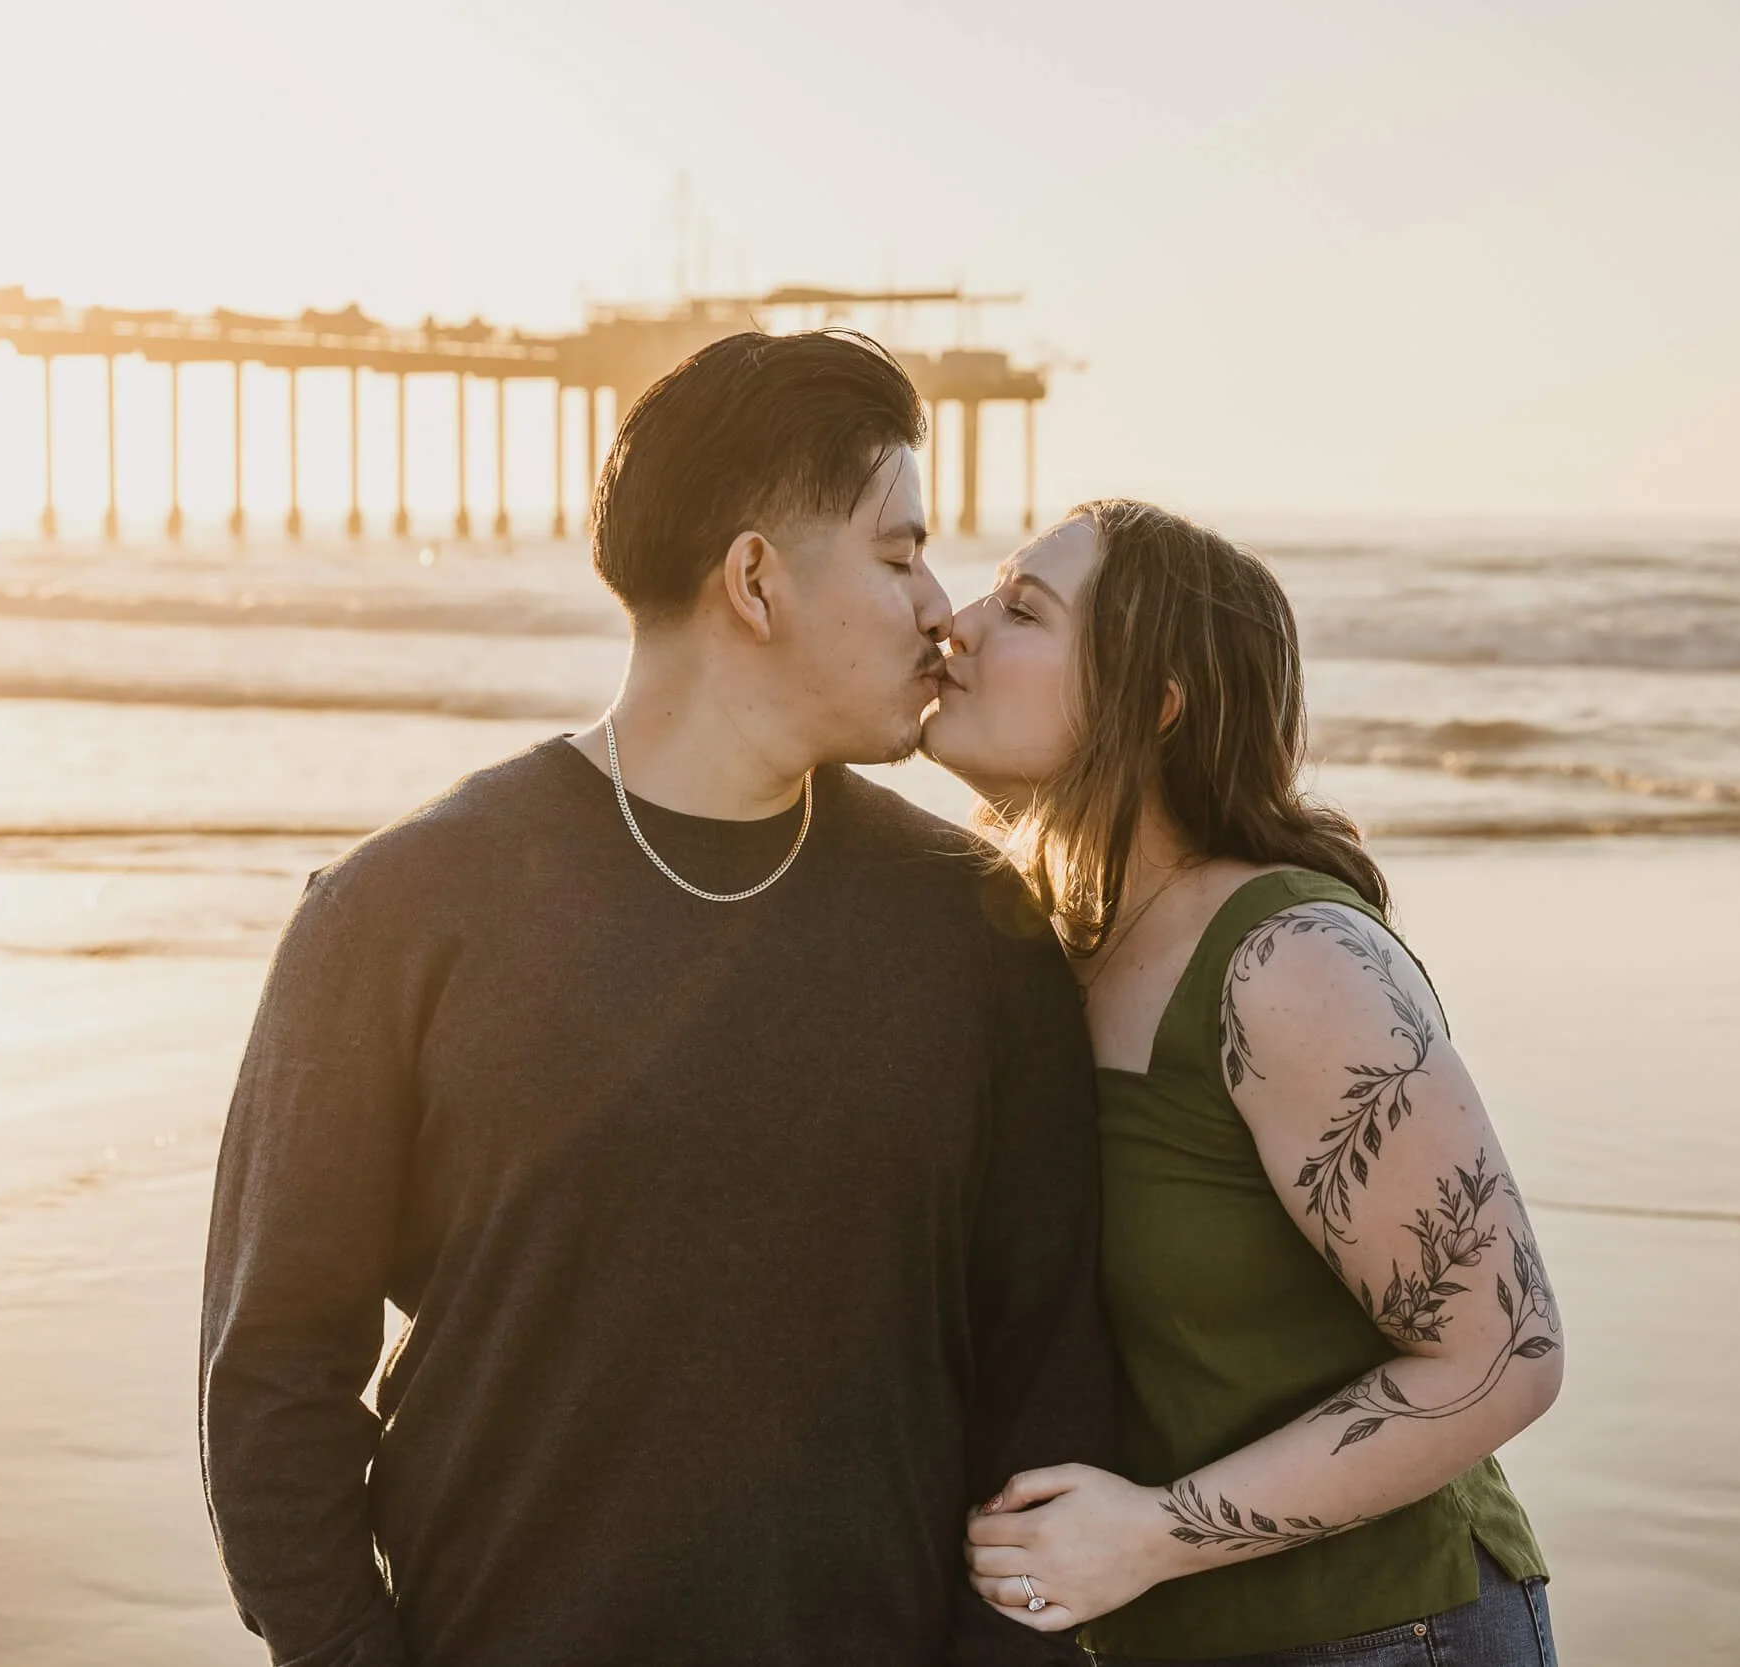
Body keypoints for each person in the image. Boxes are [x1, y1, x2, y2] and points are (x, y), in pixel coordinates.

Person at [197, 330, 1112, 1667]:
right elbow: (272, 1371)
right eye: (901, 550)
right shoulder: (395, 913)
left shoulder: (980, 932)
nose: (942, 608)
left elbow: (1050, 1378)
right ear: (754, 577)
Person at [922, 501, 1564, 1664]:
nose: (951, 625)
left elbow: (1504, 1351)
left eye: (1020, 608)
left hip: (1384, 1630)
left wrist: (1156, 1533)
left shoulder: (1290, 959)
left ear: (1152, 702)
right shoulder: (1050, 946)